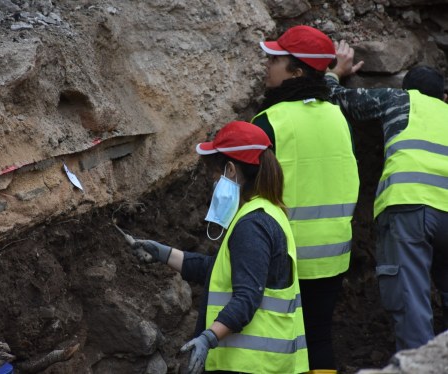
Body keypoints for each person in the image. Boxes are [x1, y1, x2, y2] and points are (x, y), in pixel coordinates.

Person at [131, 120, 308, 373]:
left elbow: (247, 297)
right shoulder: (267, 212)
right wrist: (163, 253)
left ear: (231, 170)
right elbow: (219, 271)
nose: (212, 183)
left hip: (250, 365)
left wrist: (208, 337)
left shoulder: (252, 225)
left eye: (213, 174)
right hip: (263, 364)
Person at [325, 40, 448, 351]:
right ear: (444, 97)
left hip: (410, 208)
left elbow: (337, 100)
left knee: (411, 298)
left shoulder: (399, 100)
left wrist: (334, 73)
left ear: (408, 90)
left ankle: (419, 368)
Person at [251, 25, 360, 373]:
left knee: (276, 340)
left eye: (275, 60)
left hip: (286, 255)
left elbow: (250, 193)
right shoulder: (338, 117)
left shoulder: (270, 122)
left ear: (296, 72)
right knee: (319, 336)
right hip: (333, 253)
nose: (267, 65)